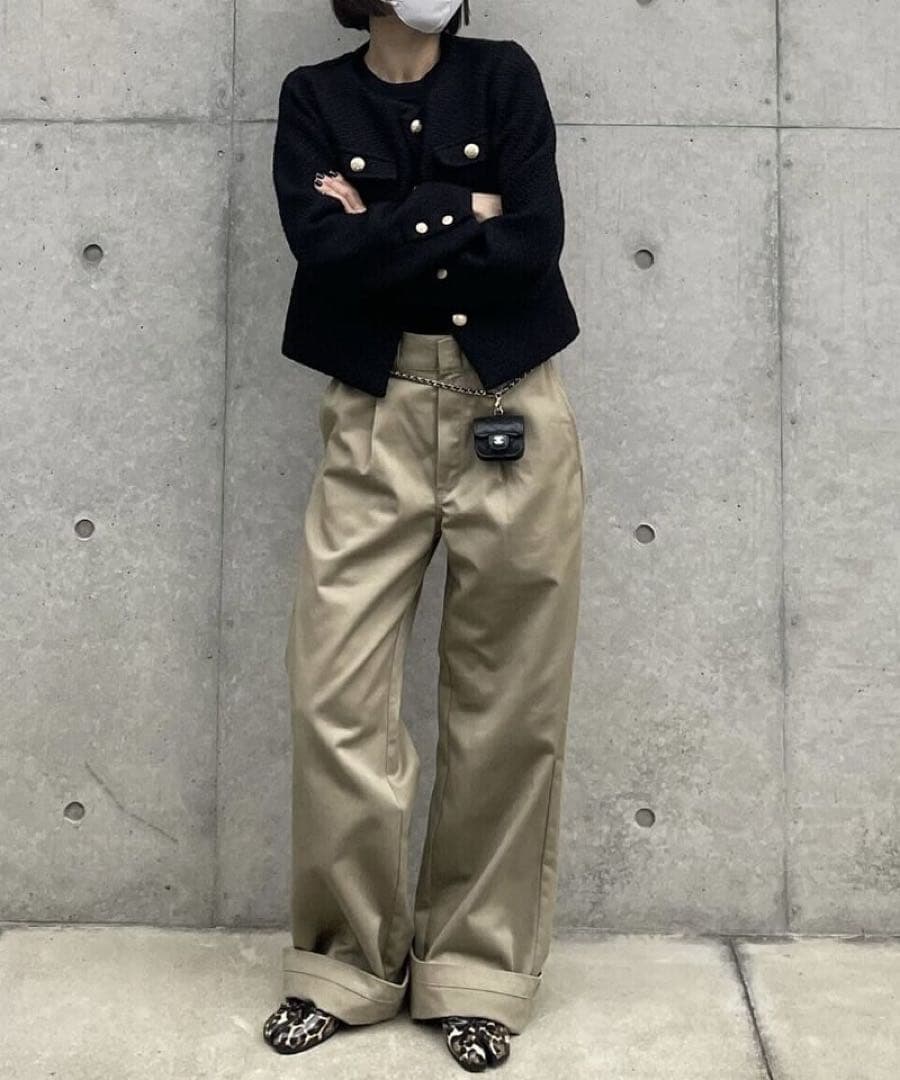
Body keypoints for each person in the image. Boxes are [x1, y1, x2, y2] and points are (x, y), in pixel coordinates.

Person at [262, 0, 586, 1070]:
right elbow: (321, 249)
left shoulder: (504, 77)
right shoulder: (315, 97)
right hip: (372, 412)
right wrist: (463, 207)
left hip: (512, 407)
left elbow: (532, 240)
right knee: (334, 694)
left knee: (508, 702)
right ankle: (343, 968)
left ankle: (477, 975)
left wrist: (389, 217)